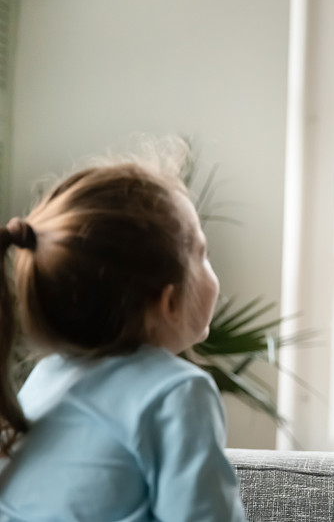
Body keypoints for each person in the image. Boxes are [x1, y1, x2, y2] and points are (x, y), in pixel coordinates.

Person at [0, 150, 248, 521]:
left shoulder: (44, 380)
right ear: (168, 301)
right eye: (203, 253)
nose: (212, 269)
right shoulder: (177, 392)